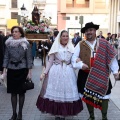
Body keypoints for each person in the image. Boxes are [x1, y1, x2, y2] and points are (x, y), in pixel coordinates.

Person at [72, 22, 119, 120]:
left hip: (102, 74)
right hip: (86, 75)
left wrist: (115, 72)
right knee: (88, 96)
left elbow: (112, 58)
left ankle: (104, 117)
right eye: (87, 31)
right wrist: (80, 65)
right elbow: (73, 58)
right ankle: (91, 116)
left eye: (91, 30)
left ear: (95, 31)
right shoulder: (80, 44)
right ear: (85, 33)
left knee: (105, 95)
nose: (89, 32)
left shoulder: (104, 43)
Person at [36, 30, 83, 120]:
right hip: (56, 71)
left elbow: (74, 59)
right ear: (60, 37)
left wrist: (78, 60)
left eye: (66, 36)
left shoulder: (71, 47)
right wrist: (45, 73)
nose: (65, 38)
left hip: (68, 72)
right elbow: (50, 61)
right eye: (63, 36)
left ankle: (64, 113)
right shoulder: (55, 47)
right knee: (57, 93)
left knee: (66, 93)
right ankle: (57, 114)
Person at [2, 26, 33, 120]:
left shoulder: (25, 44)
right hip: (11, 69)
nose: (14, 33)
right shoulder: (8, 43)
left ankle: (20, 113)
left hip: (22, 70)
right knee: (13, 93)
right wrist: (4, 70)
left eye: (16, 32)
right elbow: (6, 56)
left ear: (21, 33)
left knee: (21, 92)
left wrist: (29, 71)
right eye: (13, 32)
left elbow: (28, 58)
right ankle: (14, 113)